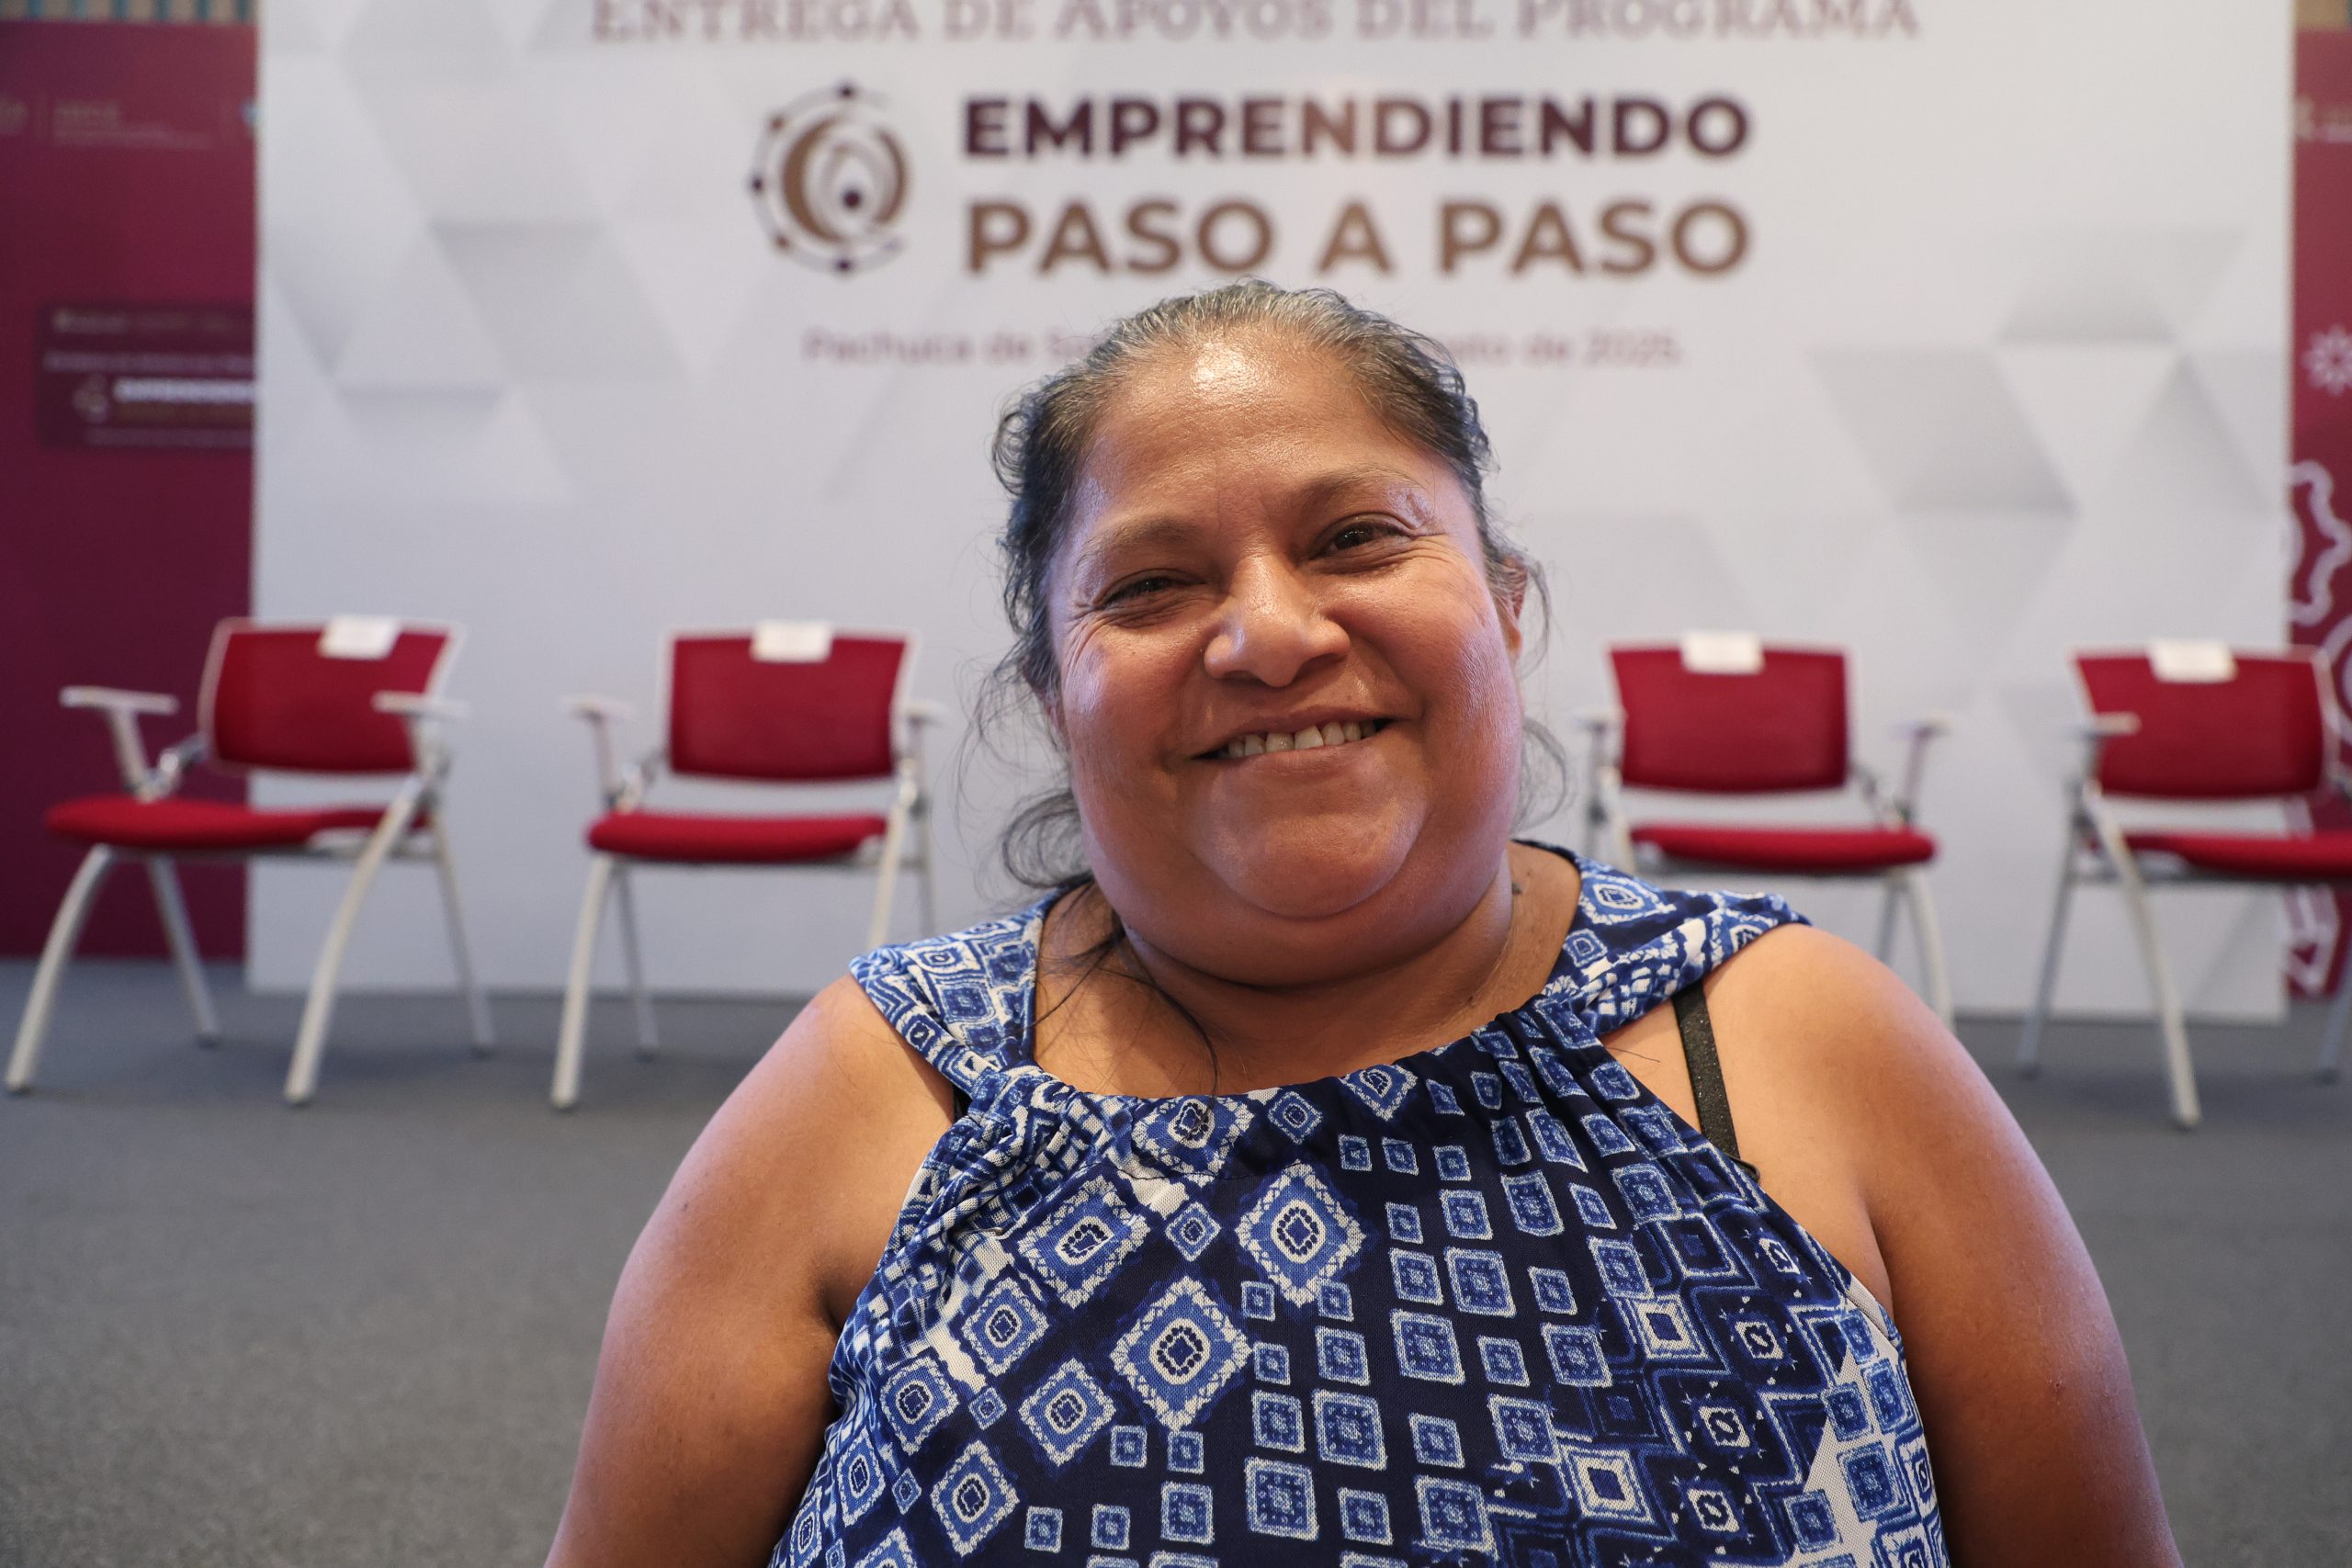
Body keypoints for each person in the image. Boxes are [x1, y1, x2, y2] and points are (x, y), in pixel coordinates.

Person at [543, 282, 2179, 1567]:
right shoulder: (881, 1085)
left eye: (1356, 539)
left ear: (1506, 607)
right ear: (1054, 694)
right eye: (1150, 585)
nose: (1268, 634)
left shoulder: (1800, 1042)